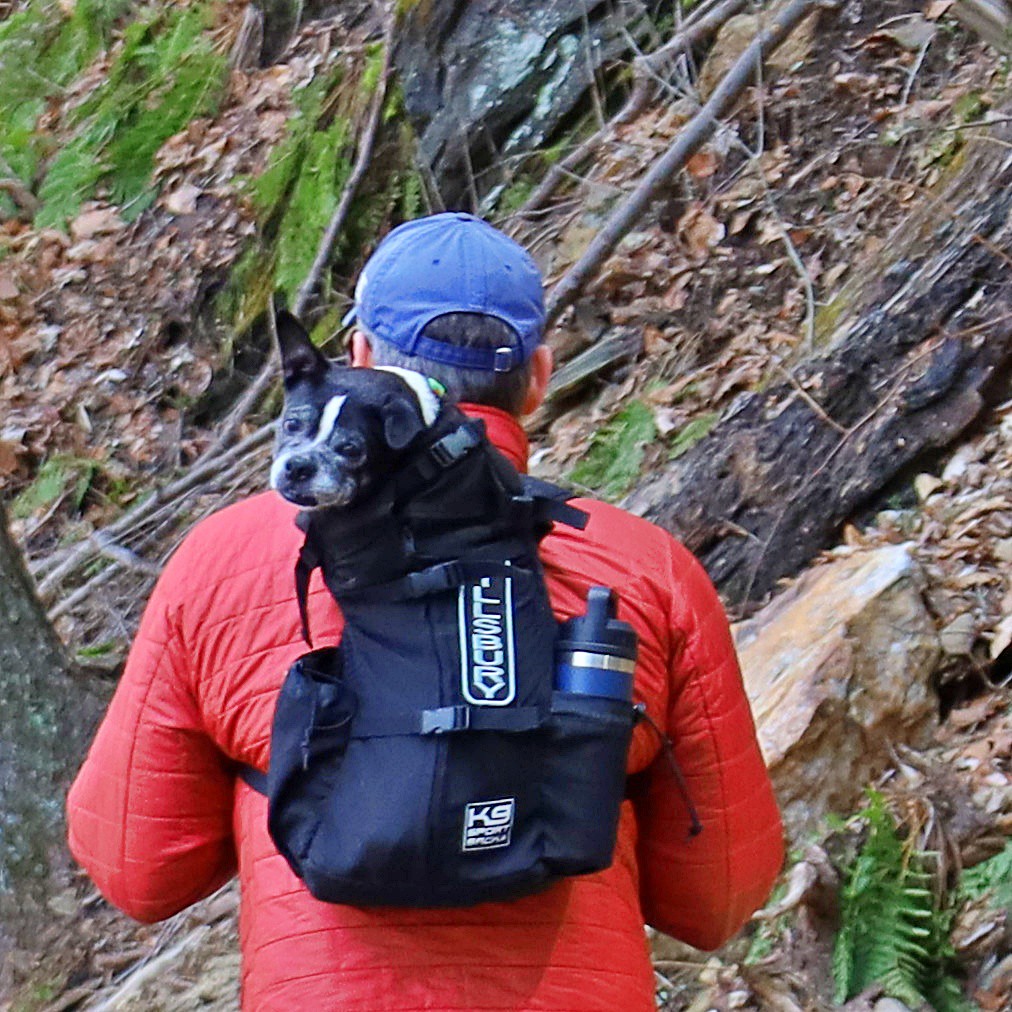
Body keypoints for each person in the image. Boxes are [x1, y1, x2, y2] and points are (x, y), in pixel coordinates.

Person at [67, 212, 783, 1011]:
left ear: (362, 360)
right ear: (539, 377)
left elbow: (136, 867)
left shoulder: (222, 564)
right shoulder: (648, 572)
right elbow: (718, 897)